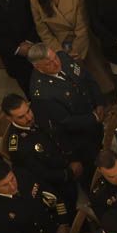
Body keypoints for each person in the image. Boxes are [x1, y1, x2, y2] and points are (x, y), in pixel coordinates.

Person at [26, 44, 104, 176]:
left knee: (102, 151)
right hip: (79, 138)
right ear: (38, 67)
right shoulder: (42, 94)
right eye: (48, 63)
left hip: (94, 119)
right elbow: (65, 121)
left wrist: (100, 102)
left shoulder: (63, 57)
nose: (56, 63)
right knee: (91, 169)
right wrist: (94, 118)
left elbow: (87, 78)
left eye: (54, 57)